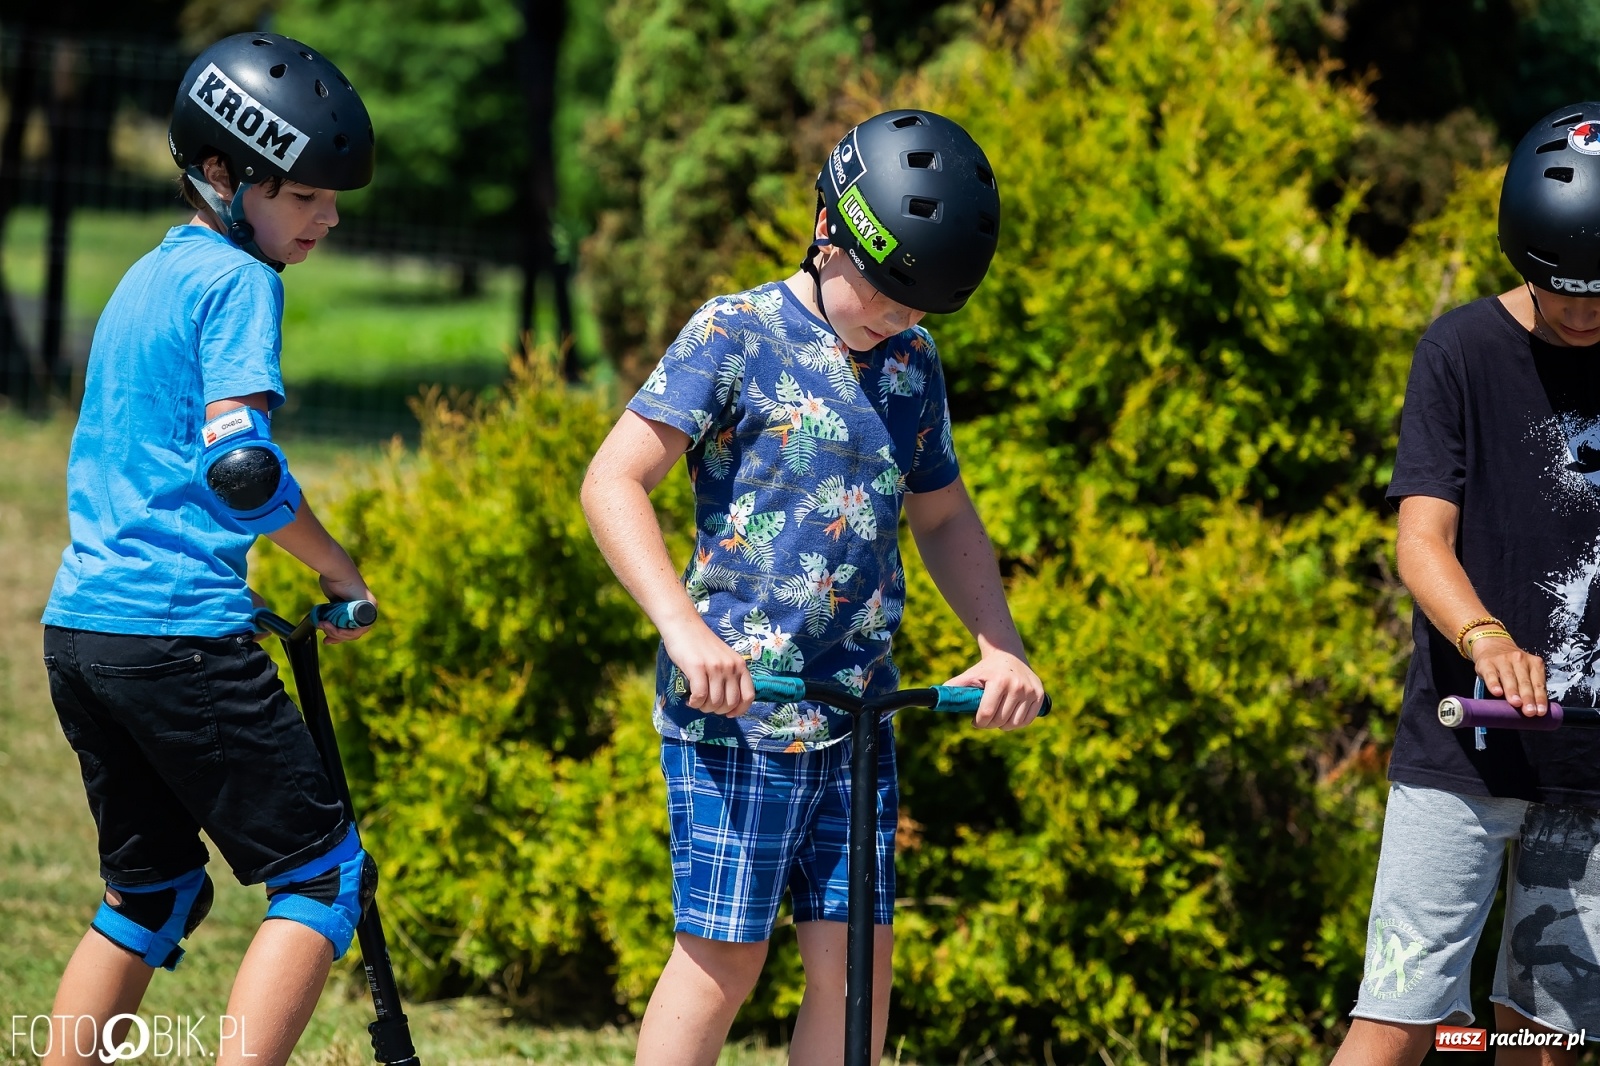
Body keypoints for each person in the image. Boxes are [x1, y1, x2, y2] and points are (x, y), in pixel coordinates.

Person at [582, 109, 1046, 1065]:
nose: (897, 320)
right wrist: (684, 631)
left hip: (856, 716)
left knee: (858, 970)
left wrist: (1001, 645)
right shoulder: (735, 334)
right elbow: (612, 482)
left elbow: (944, 517)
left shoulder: (912, 364)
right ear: (829, 229)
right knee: (724, 961)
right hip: (738, 713)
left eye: (919, 309)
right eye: (884, 293)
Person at [39, 33, 379, 1066]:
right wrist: (335, 567)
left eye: (332, 198)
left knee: (152, 891)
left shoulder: (148, 275)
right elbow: (241, 468)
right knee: (322, 876)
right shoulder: (238, 281)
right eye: (304, 195)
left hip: (84, 632)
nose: (327, 218)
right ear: (223, 173)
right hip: (178, 633)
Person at [1333, 102, 1600, 1066]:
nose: (1582, 314)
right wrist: (1485, 638)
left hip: (1592, 766)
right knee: (1399, 1020)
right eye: (1561, 290)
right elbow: (1421, 541)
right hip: (1464, 751)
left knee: (1543, 1039)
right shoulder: (1459, 351)